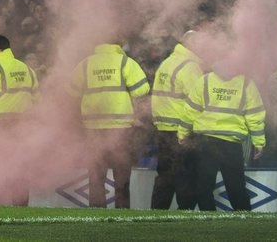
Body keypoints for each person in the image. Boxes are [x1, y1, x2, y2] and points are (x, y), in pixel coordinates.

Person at [71, 42, 151, 209]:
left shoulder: (85, 64)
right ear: (118, 45)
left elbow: (71, 91)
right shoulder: (125, 62)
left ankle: (96, 212)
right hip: (120, 127)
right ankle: (122, 213)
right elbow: (142, 90)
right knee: (121, 175)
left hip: (93, 127)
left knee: (95, 173)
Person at [178, 65, 266, 211]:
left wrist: (183, 132)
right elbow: (255, 116)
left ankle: (209, 219)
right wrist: (258, 142)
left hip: (206, 141)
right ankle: (245, 219)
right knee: (236, 186)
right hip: (231, 144)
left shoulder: (204, 81)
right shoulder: (246, 84)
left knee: (204, 186)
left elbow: (190, 111)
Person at [150, 32, 203, 210]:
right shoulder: (190, 67)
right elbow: (198, 101)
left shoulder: (167, 63)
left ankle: (157, 212)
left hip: (163, 128)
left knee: (165, 174)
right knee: (186, 174)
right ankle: (185, 212)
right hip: (182, 129)